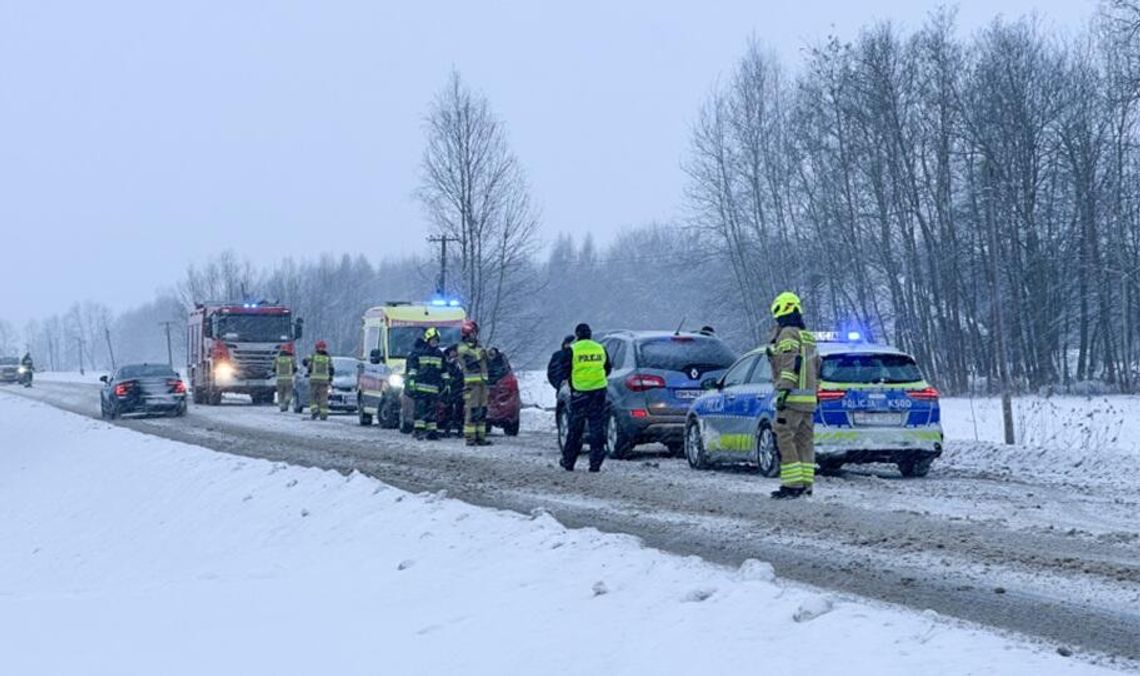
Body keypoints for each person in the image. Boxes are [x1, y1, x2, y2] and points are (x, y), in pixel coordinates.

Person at [766, 292, 820, 499]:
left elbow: (789, 364)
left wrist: (783, 391)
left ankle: (792, 485)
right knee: (805, 442)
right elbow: (818, 367)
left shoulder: (787, 334)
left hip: (792, 399)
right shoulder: (807, 336)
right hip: (808, 401)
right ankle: (806, 484)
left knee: (785, 438)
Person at [559, 323, 612, 472]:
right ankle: (595, 463)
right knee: (597, 427)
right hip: (599, 392)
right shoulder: (600, 348)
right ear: (590, 334)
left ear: (577, 335)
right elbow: (607, 368)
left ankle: (569, 461)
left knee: (575, 429)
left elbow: (564, 370)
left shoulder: (572, 350)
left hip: (580, 393)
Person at [457, 320, 492, 446]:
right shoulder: (462, 347)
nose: (475, 335)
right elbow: (469, 361)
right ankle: (470, 437)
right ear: (467, 333)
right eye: (473, 332)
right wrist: (481, 355)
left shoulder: (478, 346)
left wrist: (489, 354)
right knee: (471, 411)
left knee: (482, 410)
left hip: (482, 384)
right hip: (471, 385)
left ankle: (480, 437)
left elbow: (485, 359)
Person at [407, 327, 445, 440]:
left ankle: (431, 432)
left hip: (434, 388)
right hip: (421, 388)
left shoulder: (439, 354)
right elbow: (413, 369)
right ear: (427, 340)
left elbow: (443, 370)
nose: (435, 342)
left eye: (436, 341)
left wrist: (446, 382)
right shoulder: (419, 353)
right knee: (420, 410)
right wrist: (412, 381)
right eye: (433, 340)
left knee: (432, 411)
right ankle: (418, 431)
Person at [304, 340, 335, 421]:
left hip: (314, 380)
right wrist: (330, 377)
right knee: (323, 398)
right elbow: (331, 369)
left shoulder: (313, 355)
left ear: (316, 347)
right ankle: (323, 415)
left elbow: (305, 362)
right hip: (324, 381)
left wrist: (308, 369)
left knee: (313, 396)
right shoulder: (327, 357)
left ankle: (314, 410)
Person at [441, 344, 465, 438]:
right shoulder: (446, 363)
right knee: (448, 411)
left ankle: (460, 429)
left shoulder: (460, 363)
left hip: (458, 389)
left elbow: (462, 375)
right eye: (453, 352)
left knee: (459, 410)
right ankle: (447, 429)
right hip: (448, 390)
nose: (454, 354)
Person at [274, 343, 296, 412]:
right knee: (289, 392)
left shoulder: (277, 359)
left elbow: (273, 368)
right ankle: (287, 400)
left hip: (279, 379)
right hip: (289, 379)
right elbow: (295, 368)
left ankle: (281, 405)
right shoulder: (291, 359)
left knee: (280, 393)